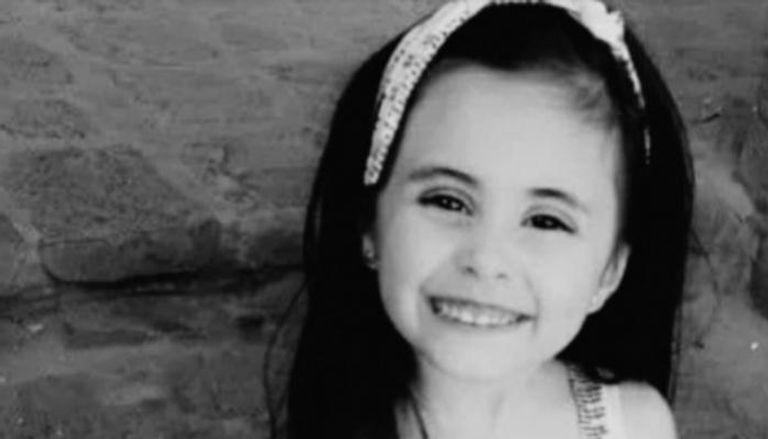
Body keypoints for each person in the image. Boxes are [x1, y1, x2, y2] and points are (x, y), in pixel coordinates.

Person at [272, 0, 694, 438]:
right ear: (369, 224)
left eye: (547, 221)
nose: (486, 259)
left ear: (610, 271)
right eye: (447, 201)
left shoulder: (635, 425)